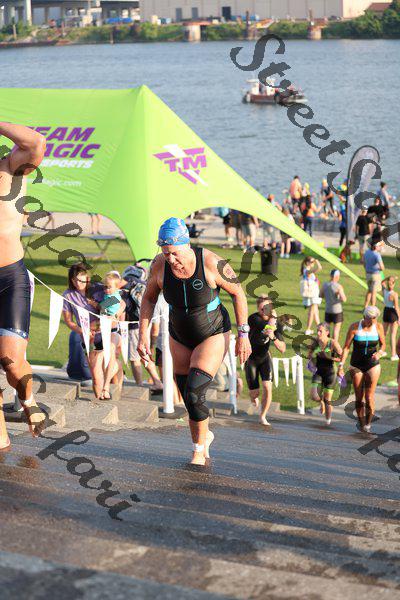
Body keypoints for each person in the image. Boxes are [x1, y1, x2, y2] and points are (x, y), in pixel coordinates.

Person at [138, 217, 251, 466]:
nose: (171, 259)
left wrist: (243, 334)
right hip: (178, 334)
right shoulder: (159, 265)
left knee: (194, 391)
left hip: (213, 332)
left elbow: (238, 293)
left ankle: (198, 451)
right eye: (166, 253)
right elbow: (148, 298)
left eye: (174, 253)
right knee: (188, 396)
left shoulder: (211, 262)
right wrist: (143, 334)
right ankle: (204, 434)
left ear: (187, 245)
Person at [0, 121, 47, 451]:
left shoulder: (11, 169)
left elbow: (36, 143)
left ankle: (28, 399)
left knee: (11, 362)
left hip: (9, 278)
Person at [339, 306, 385, 433]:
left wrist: (380, 353)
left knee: (369, 397)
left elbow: (383, 344)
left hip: (373, 364)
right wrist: (341, 365)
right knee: (359, 397)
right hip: (356, 365)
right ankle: (361, 423)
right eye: (372, 319)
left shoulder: (378, 327)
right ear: (365, 317)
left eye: (375, 318)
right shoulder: (354, 327)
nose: (374, 321)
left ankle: (368, 425)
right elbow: (346, 347)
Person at [245, 297, 286, 426]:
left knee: (268, 387)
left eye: (266, 308)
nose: (264, 311)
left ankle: (263, 415)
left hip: (264, 357)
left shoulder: (277, 324)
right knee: (254, 393)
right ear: (258, 309)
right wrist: (273, 319)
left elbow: (283, 348)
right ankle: (254, 397)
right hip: (251, 358)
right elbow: (265, 326)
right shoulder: (253, 319)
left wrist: (273, 337)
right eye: (261, 308)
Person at [121, 265, 163, 390]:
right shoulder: (139, 285)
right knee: (143, 355)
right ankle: (157, 381)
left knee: (135, 358)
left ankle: (140, 385)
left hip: (133, 326)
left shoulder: (125, 289)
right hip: (144, 323)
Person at [307, 323, 342, 426]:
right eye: (317, 330)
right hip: (318, 372)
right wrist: (311, 359)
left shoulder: (333, 343)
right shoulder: (315, 342)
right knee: (314, 396)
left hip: (330, 373)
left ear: (327, 332)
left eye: (320, 331)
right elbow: (309, 354)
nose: (318, 333)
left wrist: (328, 357)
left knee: (328, 400)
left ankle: (328, 422)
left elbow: (341, 357)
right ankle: (321, 401)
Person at [320, 269, 347, 342]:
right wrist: (337, 296)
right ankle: (334, 345)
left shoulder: (325, 285)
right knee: (336, 330)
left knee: (326, 329)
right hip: (337, 311)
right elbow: (344, 299)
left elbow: (320, 295)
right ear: (337, 276)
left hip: (328, 309)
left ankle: (325, 344)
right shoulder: (338, 286)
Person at [300, 257, 322, 335]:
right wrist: (317, 261)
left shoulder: (307, 270)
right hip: (312, 294)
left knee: (316, 312)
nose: (313, 263)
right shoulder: (307, 270)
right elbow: (319, 268)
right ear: (307, 263)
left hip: (313, 293)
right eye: (312, 262)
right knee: (312, 312)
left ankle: (320, 329)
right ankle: (308, 329)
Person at [382, 276, 400, 361]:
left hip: (386, 311)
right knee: (393, 335)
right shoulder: (394, 294)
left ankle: (381, 350)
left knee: (383, 333)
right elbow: (396, 307)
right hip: (393, 314)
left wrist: (389, 278)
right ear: (393, 284)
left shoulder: (385, 290)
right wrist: (399, 318)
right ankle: (393, 354)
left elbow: (382, 282)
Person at [363, 240, 384, 307]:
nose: (379, 247)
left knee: (369, 291)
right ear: (375, 247)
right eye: (378, 246)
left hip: (368, 274)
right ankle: (372, 307)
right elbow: (382, 267)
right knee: (374, 293)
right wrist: (380, 269)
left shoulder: (366, 252)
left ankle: (365, 306)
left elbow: (364, 263)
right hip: (375, 275)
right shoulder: (377, 254)